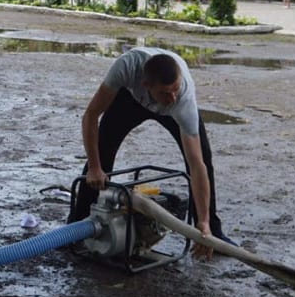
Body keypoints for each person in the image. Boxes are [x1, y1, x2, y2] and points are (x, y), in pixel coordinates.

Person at [69, 46, 235, 259]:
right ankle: (77, 226)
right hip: (129, 99)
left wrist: (202, 220)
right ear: (146, 85)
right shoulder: (125, 68)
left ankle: (210, 229)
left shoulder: (181, 100)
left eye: (175, 89)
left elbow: (196, 164)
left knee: (203, 157)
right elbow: (90, 115)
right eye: (166, 93)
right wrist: (94, 167)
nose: (172, 97)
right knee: (102, 150)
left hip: (170, 111)